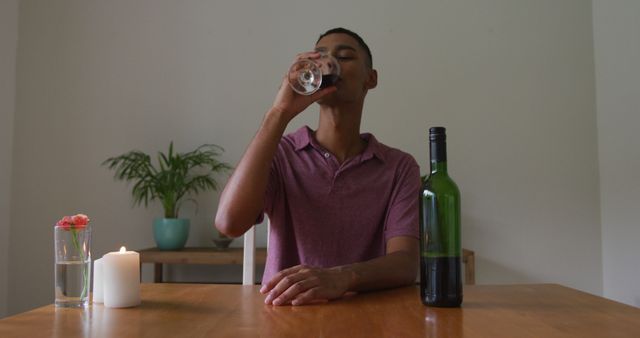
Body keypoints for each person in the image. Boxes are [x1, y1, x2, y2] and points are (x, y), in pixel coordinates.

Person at [215, 27, 420, 306]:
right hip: (286, 315)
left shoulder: (398, 167)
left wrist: (341, 278)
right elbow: (229, 223)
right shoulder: (281, 153)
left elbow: (406, 263)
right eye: (319, 57)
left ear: (370, 79)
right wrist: (279, 113)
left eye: (345, 56)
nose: (327, 63)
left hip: (368, 317)